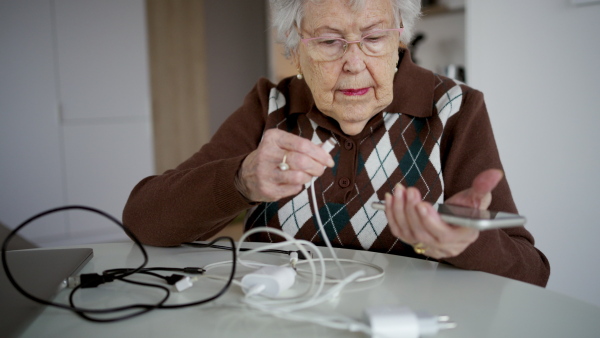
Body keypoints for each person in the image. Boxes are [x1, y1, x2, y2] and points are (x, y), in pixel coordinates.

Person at [123, 0, 550, 287]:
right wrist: (240, 180)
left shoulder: (456, 108)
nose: (353, 63)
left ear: (399, 36)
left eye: (374, 37)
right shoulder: (272, 106)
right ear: (296, 49)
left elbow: (532, 272)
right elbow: (144, 221)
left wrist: (467, 243)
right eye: (329, 42)